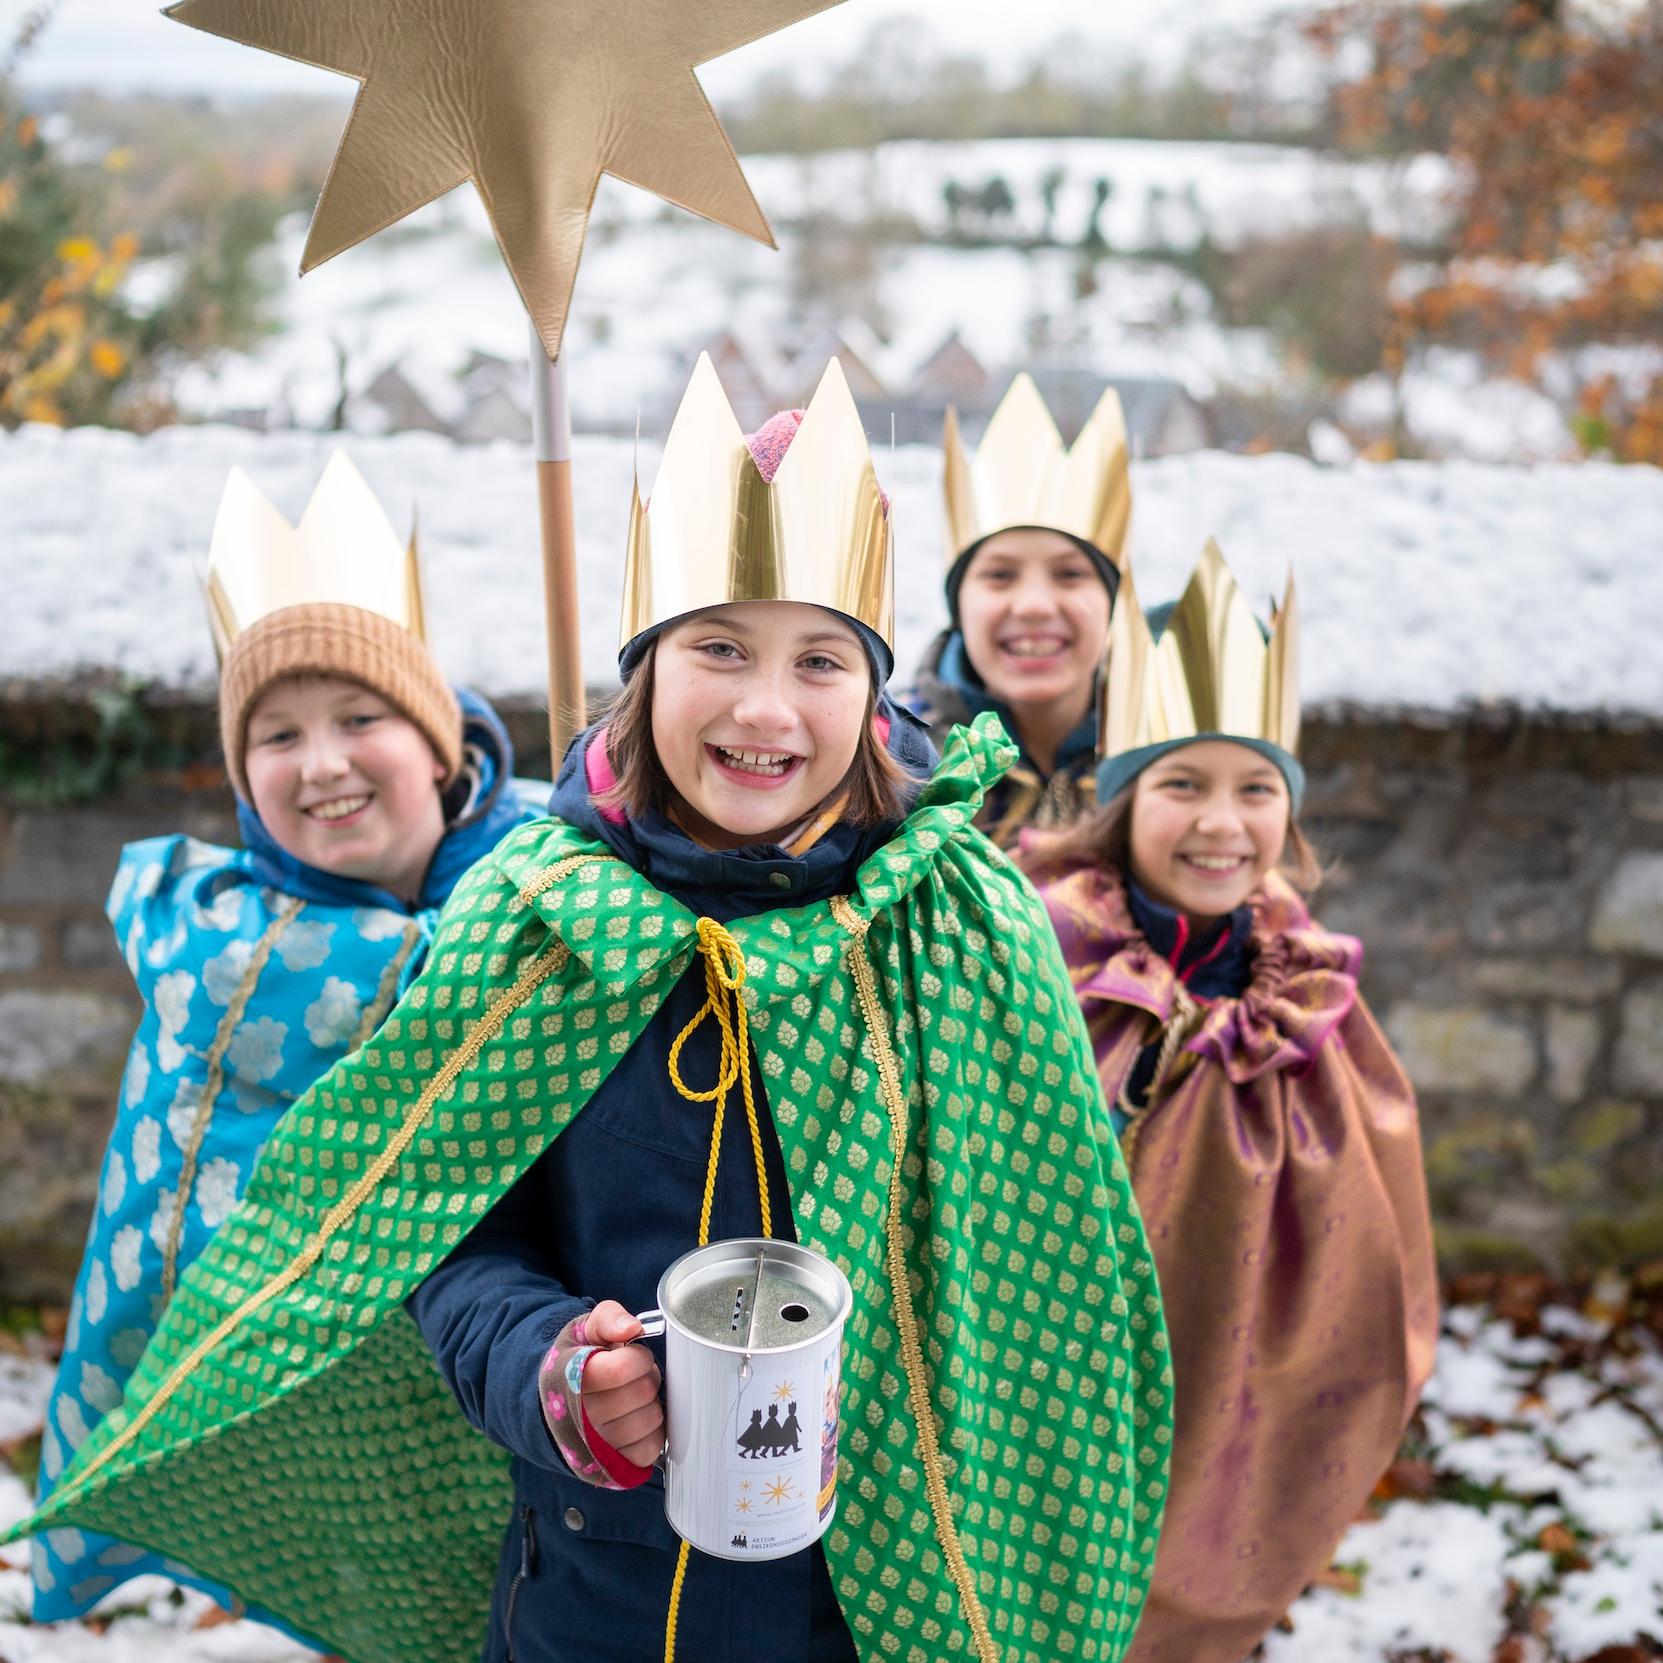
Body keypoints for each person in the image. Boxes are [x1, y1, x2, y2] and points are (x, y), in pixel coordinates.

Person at [10, 360, 1173, 1663]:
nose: (763, 705)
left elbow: (1049, 1277)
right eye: (716, 647)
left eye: (818, 658)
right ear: (646, 671)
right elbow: (432, 1237)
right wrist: (546, 1370)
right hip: (591, 1591)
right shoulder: (540, 918)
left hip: (886, 1594)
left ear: (874, 694)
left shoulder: (961, 921)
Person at [30, 453, 544, 1626]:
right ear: (240, 775)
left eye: (362, 717)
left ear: (440, 740)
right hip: (302, 1431)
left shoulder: (543, 910)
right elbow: (164, 1204)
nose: (321, 763)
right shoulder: (217, 949)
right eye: (277, 734)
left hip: (499, 1377)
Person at [1022, 539, 1439, 1663]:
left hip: (1233, 1374)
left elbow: (1371, 1209)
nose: (1222, 822)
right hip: (1062, 1381)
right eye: (1181, 784)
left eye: (1255, 788)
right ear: (1121, 803)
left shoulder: (1305, 987)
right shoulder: (1040, 956)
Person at [906, 373, 1129, 846]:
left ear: (1112, 605)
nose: (1032, 605)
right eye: (999, 575)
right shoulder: (892, 766)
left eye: (1070, 575)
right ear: (959, 605)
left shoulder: (1163, 766)